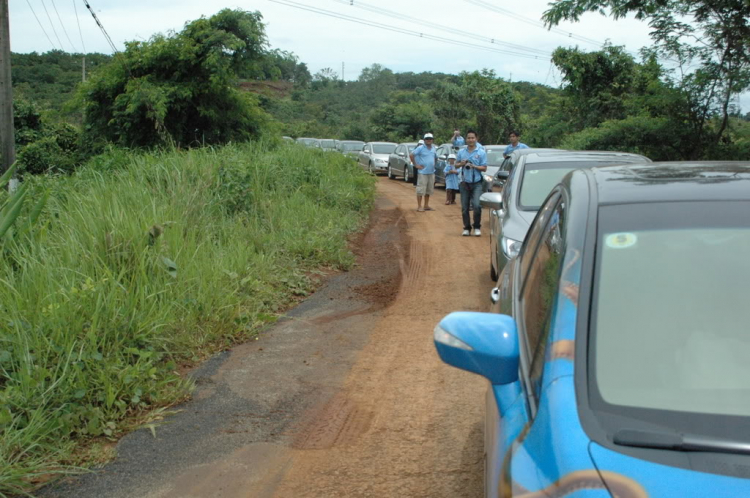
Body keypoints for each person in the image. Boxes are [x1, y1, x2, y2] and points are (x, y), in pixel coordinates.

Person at [456, 130, 487, 236]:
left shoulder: (481, 152)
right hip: (464, 182)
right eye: (469, 138)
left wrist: (475, 166)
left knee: (477, 206)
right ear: (466, 139)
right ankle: (467, 228)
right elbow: (455, 165)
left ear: (476, 139)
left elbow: (484, 168)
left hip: (477, 182)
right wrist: (462, 164)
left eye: (472, 138)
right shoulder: (461, 152)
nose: (470, 140)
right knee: (465, 207)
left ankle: (477, 227)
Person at [410, 133, 438, 212]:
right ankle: (419, 206)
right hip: (423, 172)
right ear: (424, 140)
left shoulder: (433, 148)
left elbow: (436, 158)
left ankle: (426, 205)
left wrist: (433, 165)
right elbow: (411, 155)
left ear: (432, 140)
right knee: (420, 189)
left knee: (429, 189)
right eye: (427, 139)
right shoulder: (420, 148)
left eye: (430, 138)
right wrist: (416, 165)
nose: (429, 140)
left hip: (431, 172)